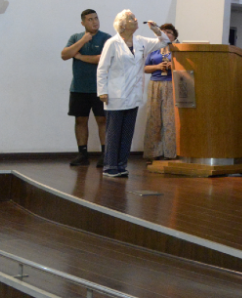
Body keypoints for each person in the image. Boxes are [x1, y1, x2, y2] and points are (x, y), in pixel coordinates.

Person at [96, 10, 171, 178]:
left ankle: (121, 165)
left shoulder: (141, 41)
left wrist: (156, 30)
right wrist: (102, 91)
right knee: (114, 132)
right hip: (116, 94)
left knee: (127, 133)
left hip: (134, 94)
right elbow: (102, 68)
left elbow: (165, 42)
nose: (136, 19)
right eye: (131, 18)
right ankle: (110, 166)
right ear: (122, 24)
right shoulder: (112, 43)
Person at [60, 9, 111, 168]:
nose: (94, 22)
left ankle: (106, 154)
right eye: (90, 19)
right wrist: (83, 41)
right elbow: (65, 55)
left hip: (100, 88)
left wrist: (80, 56)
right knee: (80, 120)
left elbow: (102, 59)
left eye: (96, 18)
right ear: (83, 23)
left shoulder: (106, 38)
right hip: (79, 88)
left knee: (102, 120)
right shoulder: (76, 38)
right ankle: (82, 154)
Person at [143, 23, 179, 161]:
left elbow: (186, 65)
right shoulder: (154, 49)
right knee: (153, 118)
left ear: (174, 36)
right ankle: (153, 153)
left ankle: (170, 153)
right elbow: (144, 68)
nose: (166, 34)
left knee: (170, 119)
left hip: (171, 83)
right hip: (155, 84)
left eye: (169, 32)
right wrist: (158, 66)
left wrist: (173, 65)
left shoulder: (178, 49)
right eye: (163, 32)